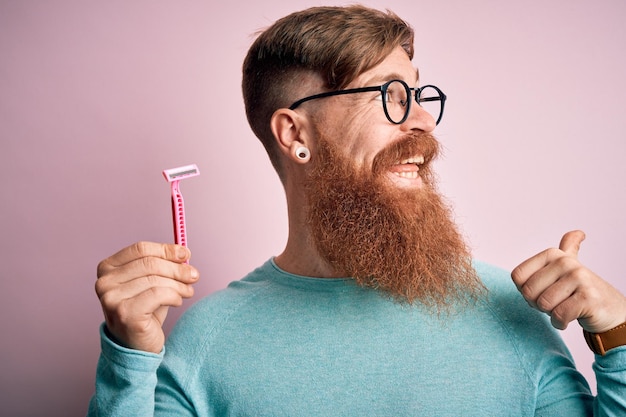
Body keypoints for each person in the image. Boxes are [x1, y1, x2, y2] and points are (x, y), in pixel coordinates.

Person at [88, 5, 626, 416]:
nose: (422, 122)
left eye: (419, 95)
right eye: (391, 95)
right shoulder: (207, 341)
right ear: (295, 134)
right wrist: (128, 358)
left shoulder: (510, 313)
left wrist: (618, 337)